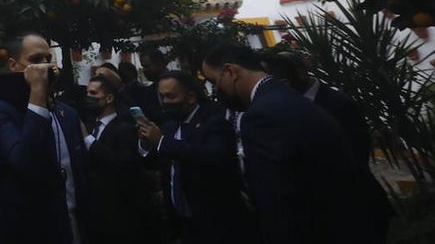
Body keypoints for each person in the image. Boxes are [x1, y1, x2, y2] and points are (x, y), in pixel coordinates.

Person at [201, 41, 383, 244]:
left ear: (230, 72)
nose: (217, 90)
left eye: (215, 81)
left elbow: (279, 197)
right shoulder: (285, 97)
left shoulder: (261, 115)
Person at [259, 49, 393, 240]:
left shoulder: (337, 104)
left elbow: (356, 156)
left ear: (286, 82)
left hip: (355, 209)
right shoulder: (292, 106)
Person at [0, 33, 87, 244]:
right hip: (29, 230)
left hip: (71, 223)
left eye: (48, 59)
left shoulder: (68, 114)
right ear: (14, 65)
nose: (45, 67)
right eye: (36, 60)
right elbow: (24, 161)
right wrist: (37, 91)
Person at [136, 70, 256, 244]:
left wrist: (161, 141)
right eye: (162, 97)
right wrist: (147, 143)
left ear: (191, 97)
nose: (165, 103)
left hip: (216, 223)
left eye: (171, 97)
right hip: (183, 224)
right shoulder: (169, 126)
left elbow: (209, 158)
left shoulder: (215, 123)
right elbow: (157, 161)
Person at [82, 74, 161, 244]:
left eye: (94, 94)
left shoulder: (124, 128)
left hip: (122, 212)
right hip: (98, 211)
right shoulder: (91, 126)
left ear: (109, 98)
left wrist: (89, 140)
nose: (89, 98)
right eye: (88, 93)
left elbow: (123, 163)